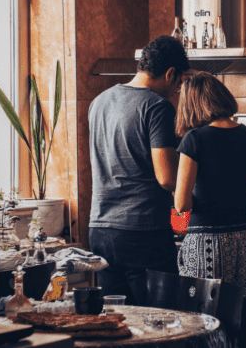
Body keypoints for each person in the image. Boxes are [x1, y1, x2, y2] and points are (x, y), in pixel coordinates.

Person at [87, 35, 189, 305]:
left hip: (100, 230)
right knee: (162, 322)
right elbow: (167, 178)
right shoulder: (157, 107)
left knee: (119, 323)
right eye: (178, 84)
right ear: (170, 74)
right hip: (141, 232)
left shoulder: (99, 102)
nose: (176, 91)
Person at [173, 72, 246, 291]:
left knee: (205, 319)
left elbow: (182, 205)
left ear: (191, 105)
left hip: (206, 243)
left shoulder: (194, 139)